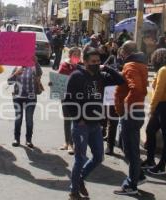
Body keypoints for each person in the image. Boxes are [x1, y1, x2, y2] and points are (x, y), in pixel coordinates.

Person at [65, 49, 124, 200]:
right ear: (85, 62)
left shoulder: (101, 76)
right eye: (93, 62)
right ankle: (74, 191)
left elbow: (121, 81)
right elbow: (68, 101)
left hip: (96, 124)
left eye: (98, 61)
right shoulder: (76, 76)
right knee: (80, 158)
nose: (96, 64)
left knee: (98, 157)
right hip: (81, 126)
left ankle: (79, 179)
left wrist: (108, 68)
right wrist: (79, 119)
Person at [114, 41, 148, 195]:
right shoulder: (138, 64)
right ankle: (138, 175)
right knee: (126, 145)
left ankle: (131, 185)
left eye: (121, 51)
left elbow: (137, 88)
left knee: (131, 150)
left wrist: (125, 106)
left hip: (131, 113)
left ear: (125, 51)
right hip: (135, 112)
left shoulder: (131, 65)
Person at [142, 49, 166, 174]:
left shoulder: (164, 70)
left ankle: (161, 166)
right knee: (150, 130)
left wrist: (152, 108)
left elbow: (159, 91)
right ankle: (150, 160)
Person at [8, 57, 43, 148]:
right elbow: (9, 82)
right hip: (17, 97)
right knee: (18, 119)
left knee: (29, 119)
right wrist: (16, 74)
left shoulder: (34, 66)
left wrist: (36, 61)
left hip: (30, 98)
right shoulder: (17, 67)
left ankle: (28, 140)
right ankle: (16, 139)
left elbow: (40, 73)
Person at [57, 47, 81, 155]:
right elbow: (58, 78)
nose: (76, 56)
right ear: (70, 55)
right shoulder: (64, 65)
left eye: (78, 54)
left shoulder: (81, 66)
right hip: (66, 96)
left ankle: (72, 144)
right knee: (67, 120)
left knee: (76, 121)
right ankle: (67, 142)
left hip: (78, 98)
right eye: (75, 54)